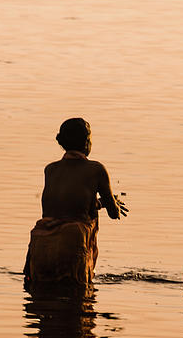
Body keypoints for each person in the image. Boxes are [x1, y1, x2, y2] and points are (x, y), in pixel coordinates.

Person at [24, 118, 127, 288]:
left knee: (43, 304)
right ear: (87, 142)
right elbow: (114, 214)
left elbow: (66, 206)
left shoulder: (50, 169)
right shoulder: (96, 169)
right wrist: (112, 202)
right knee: (77, 304)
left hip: (41, 244)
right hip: (72, 245)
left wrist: (98, 203)